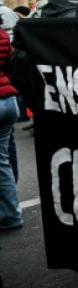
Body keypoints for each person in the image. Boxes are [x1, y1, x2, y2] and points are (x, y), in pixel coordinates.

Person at [0, 29, 20, 231]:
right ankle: (10, 212)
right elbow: (12, 64)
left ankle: (10, 215)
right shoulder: (2, 35)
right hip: (8, 100)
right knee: (3, 158)